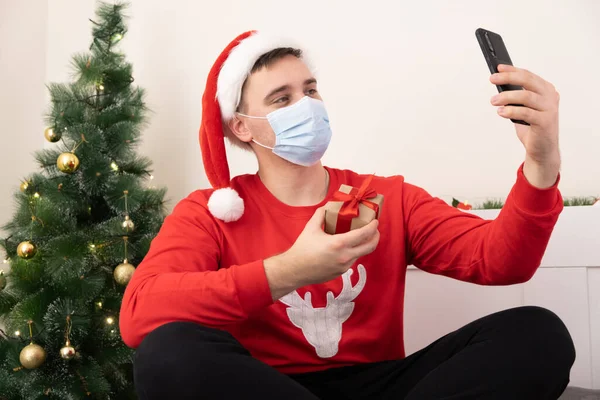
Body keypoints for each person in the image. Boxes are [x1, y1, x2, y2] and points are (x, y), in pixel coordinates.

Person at [120, 31, 575, 399]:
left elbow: (502, 261)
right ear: (241, 126)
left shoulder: (386, 197)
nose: (307, 106)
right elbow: (140, 314)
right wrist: (287, 271)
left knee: (538, 334)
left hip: (381, 383)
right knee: (165, 353)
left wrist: (542, 162)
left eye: (311, 90)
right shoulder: (208, 213)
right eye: (282, 99)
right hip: (264, 386)